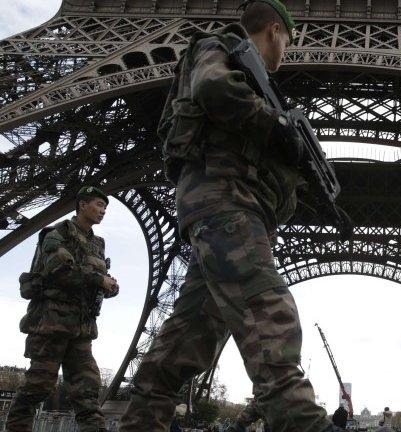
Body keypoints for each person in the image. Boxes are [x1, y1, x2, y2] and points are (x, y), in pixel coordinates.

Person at [117, 1, 333, 432]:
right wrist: (277, 128)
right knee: (268, 314)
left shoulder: (246, 75)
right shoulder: (217, 48)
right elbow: (213, 87)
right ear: (274, 30)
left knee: (184, 343)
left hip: (222, 205)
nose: (286, 51)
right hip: (224, 200)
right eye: (288, 41)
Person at [5, 186, 119, 432]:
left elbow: (94, 280)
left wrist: (109, 287)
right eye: (99, 205)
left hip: (82, 328)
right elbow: (59, 269)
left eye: (105, 208)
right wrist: (99, 280)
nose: (103, 211)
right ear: (82, 204)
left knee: (88, 392)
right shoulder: (57, 233)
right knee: (38, 386)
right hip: (51, 324)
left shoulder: (98, 243)